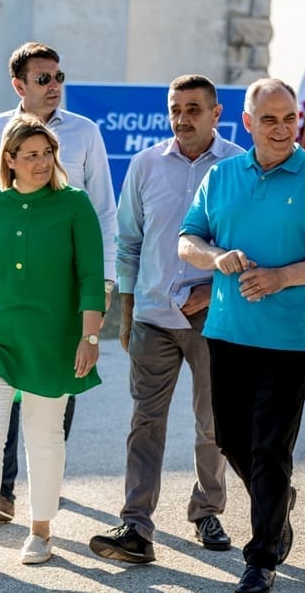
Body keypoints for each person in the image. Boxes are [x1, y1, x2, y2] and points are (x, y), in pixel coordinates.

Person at [179, 78, 305, 593]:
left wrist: (282, 276)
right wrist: (217, 257)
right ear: (248, 122)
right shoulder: (222, 175)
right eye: (270, 119)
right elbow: (187, 240)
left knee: (270, 448)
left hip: (291, 337)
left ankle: (260, 559)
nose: (282, 129)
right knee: (231, 437)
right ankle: (276, 500)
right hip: (227, 329)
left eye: (289, 118)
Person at [0, 41, 116, 521]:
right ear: (19, 85)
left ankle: (45, 483)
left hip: (62, 293)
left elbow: (104, 210)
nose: (54, 86)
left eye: (59, 77)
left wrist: (103, 284)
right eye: (43, 78)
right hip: (2, 290)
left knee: (50, 404)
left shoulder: (85, 134)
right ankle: (0, 490)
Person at [89, 75, 243, 565]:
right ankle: (135, 524)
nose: (183, 118)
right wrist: (127, 310)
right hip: (153, 316)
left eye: (194, 108)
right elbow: (129, 241)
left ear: (216, 114)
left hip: (214, 318)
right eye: (176, 108)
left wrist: (215, 287)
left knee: (212, 422)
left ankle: (206, 511)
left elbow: (252, 245)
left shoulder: (239, 166)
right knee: (145, 422)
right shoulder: (145, 164)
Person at [0, 115, 104, 571]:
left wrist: (90, 336)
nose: (42, 162)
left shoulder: (75, 204)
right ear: (8, 160)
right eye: (30, 155)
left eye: (47, 153)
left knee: (44, 437)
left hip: (52, 339)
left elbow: (91, 274)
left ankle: (41, 530)